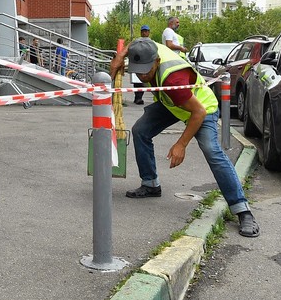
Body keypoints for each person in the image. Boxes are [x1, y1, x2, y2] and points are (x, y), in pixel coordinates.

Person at [111, 37, 259, 238]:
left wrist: (181, 144)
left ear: (157, 61)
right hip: (173, 103)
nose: (142, 75)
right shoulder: (149, 48)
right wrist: (120, 56)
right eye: (138, 71)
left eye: (146, 70)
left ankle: (242, 210)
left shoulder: (173, 79)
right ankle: (150, 184)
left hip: (201, 108)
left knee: (211, 150)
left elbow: (198, 112)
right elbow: (139, 41)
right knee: (140, 131)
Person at [132, 25, 152, 104]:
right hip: (138, 63)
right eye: (143, 31)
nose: (144, 33)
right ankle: (138, 98)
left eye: (146, 31)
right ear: (141, 32)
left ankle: (139, 98)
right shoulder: (137, 42)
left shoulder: (151, 42)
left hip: (147, 64)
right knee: (137, 82)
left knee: (143, 82)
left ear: (148, 32)